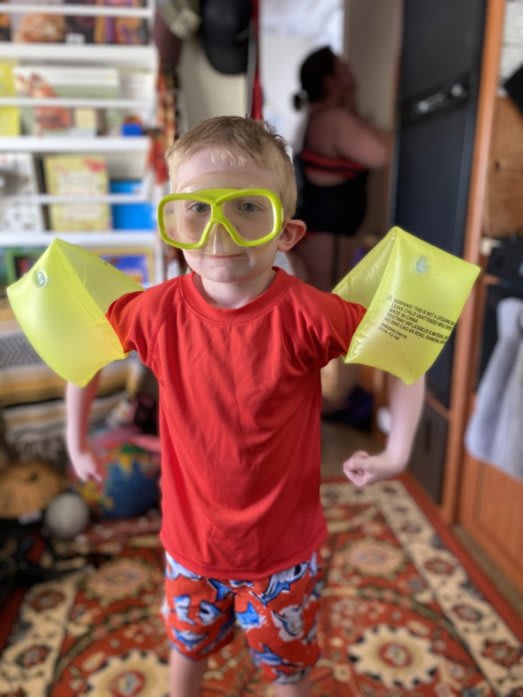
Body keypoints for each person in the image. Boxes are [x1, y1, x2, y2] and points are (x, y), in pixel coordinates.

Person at [65, 115, 425, 697]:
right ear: (173, 223)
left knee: (290, 672)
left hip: (284, 554)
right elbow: (81, 346)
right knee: (188, 653)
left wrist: (398, 449)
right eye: (198, 208)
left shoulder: (308, 314)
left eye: (248, 208)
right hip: (190, 548)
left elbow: (405, 348)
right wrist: (77, 438)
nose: (219, 231)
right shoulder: (155, 312)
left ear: (288, 232)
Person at [291, 45, 391, 292]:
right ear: (330, 80)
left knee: (331, 313)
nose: (348, 66)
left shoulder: (315, 119)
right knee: (329, 314)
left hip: (320, 240)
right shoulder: (333, 120)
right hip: (326, 244)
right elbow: (383, 153)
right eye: (341, 64)